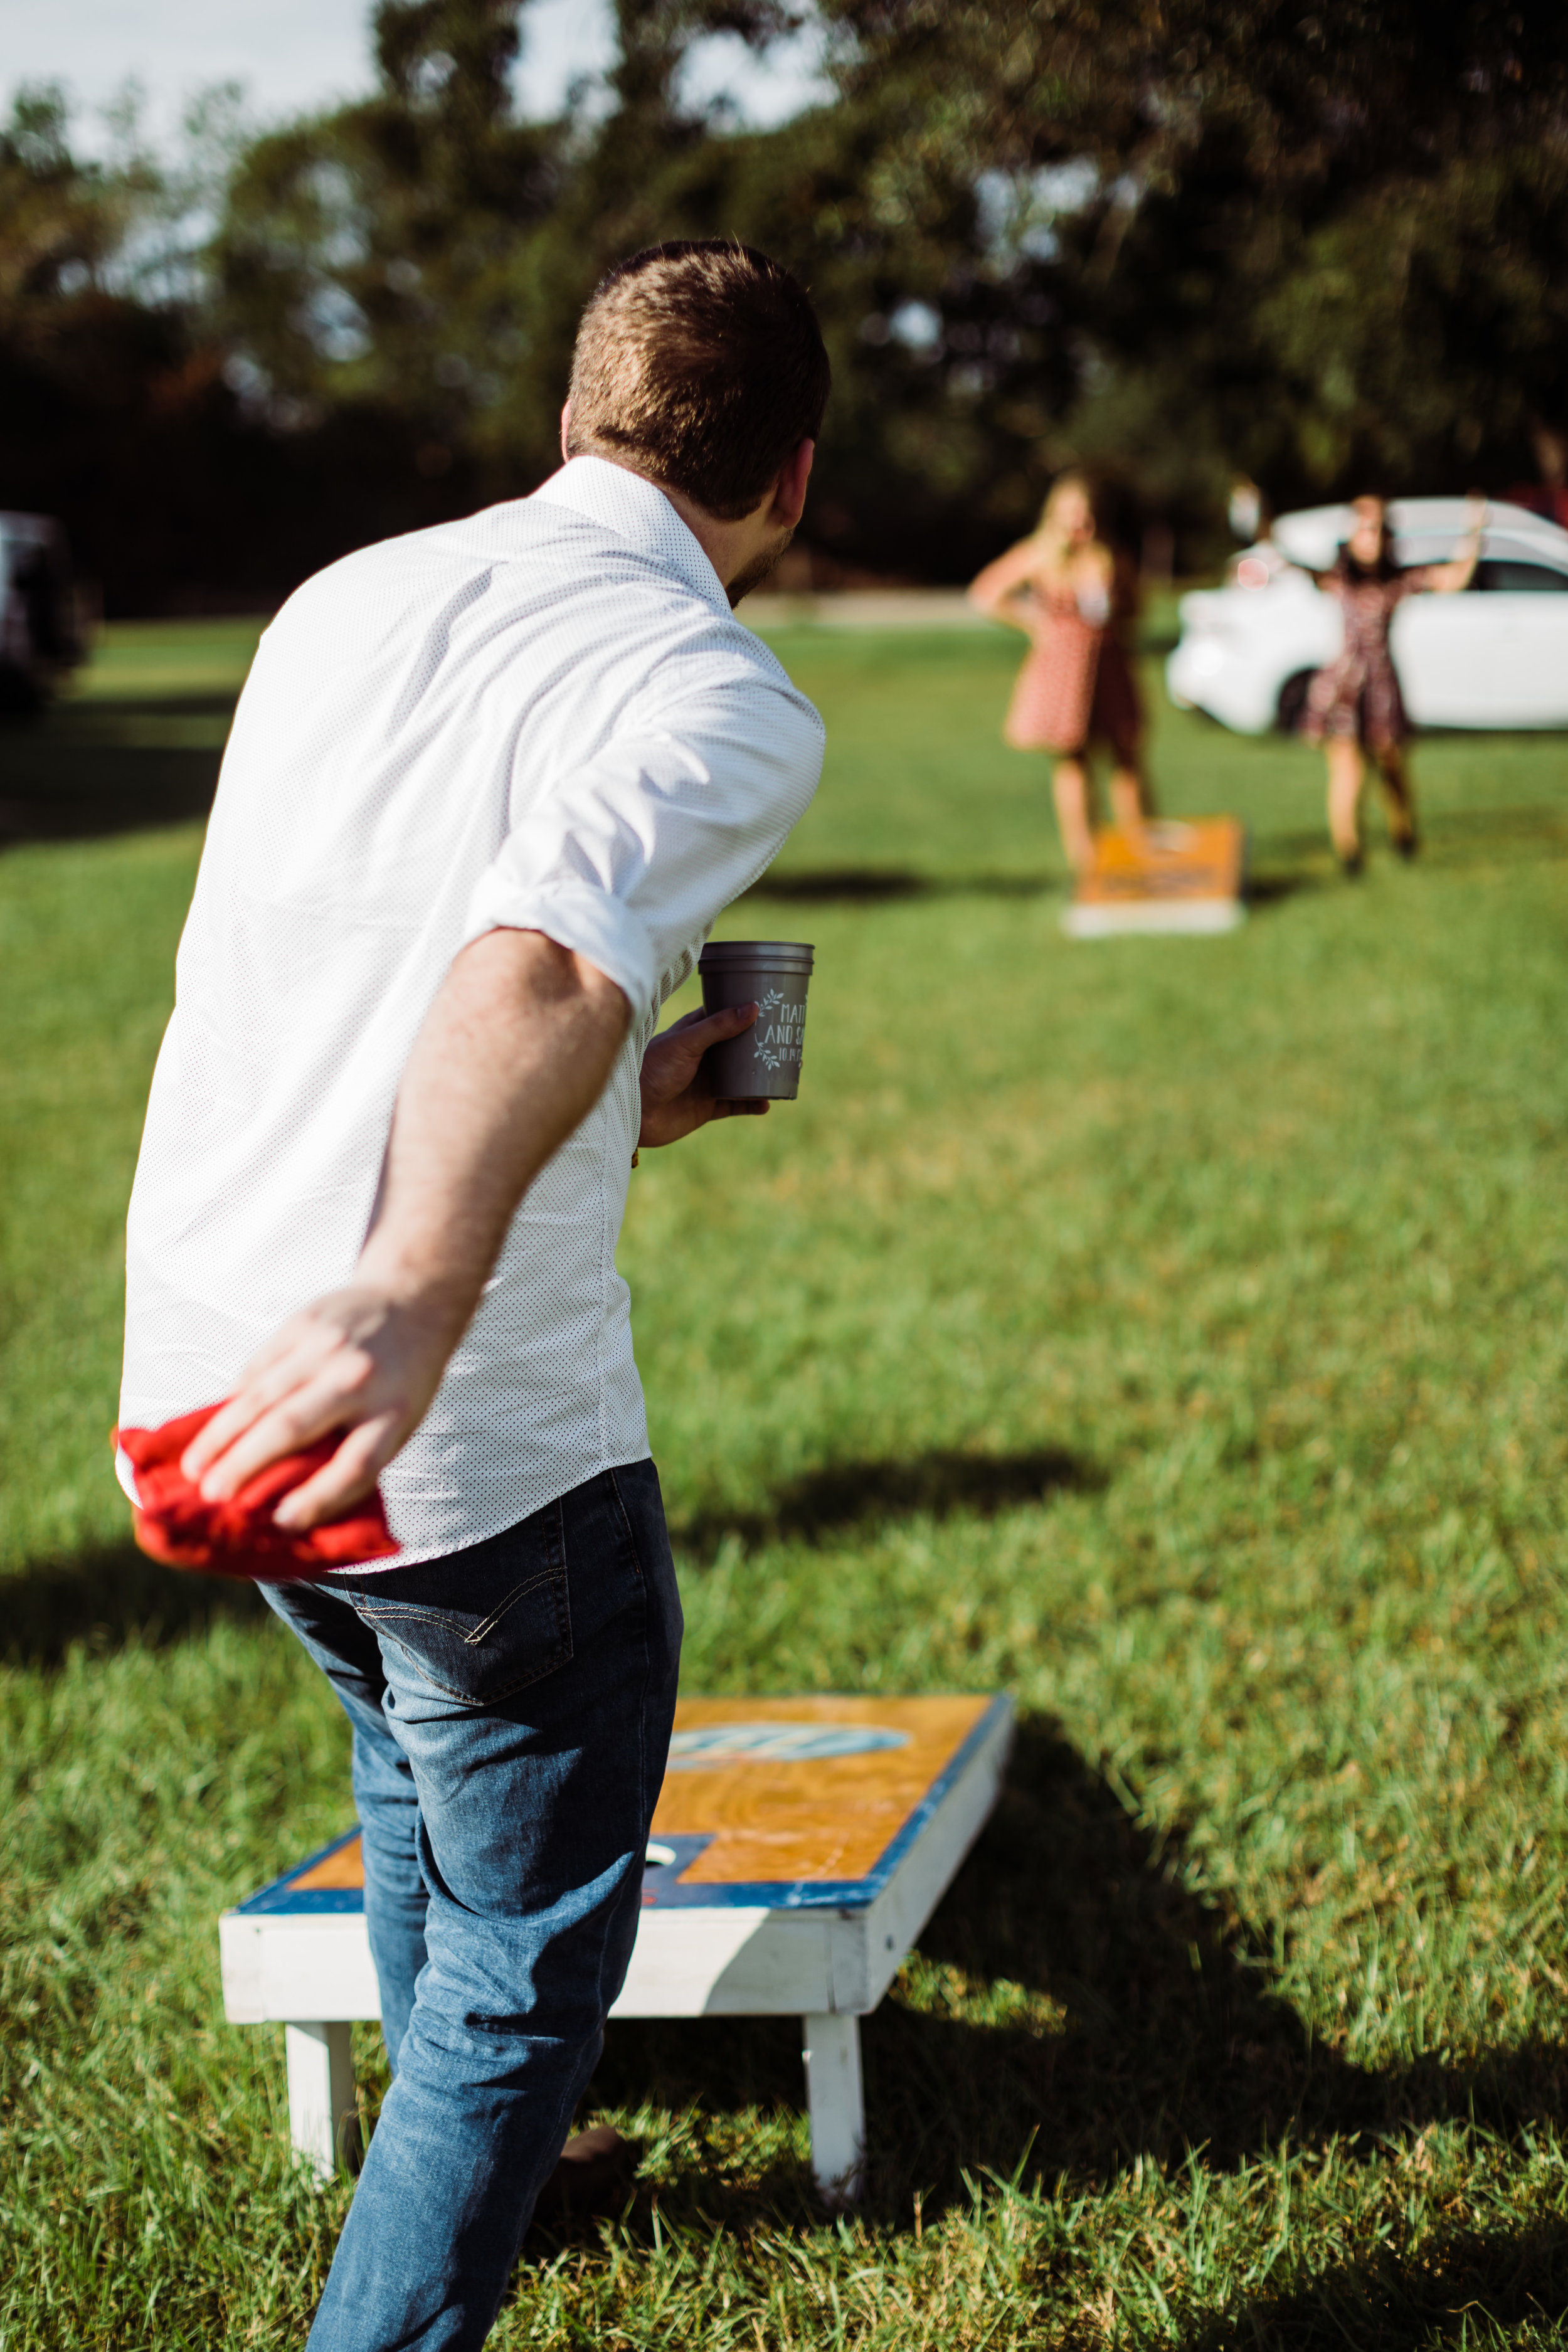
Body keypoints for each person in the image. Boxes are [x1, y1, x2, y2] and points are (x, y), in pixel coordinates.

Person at [115, 240, 830, 2351]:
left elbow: (362, 971)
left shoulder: (340, 599)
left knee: (411, 1770)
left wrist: (633, 1113)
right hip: (454, 1428)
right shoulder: (719, 694)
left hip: (208, 1374)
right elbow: (528, 962)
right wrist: (417, 1288)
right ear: (790, 474)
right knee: (526, 1969)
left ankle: (541, 2171)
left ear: (571, 421)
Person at [967, 472, 1152, 876]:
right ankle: (1088, 860)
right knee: (1074, 759)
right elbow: (985, 594)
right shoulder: (1039, 554)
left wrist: (1118, 611)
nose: (1079, 523)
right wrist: (1035, 622)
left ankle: (1142, 852)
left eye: (1086, 514)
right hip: (1064, 667)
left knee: (1126, 754)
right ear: (1055, 515)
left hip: (1109, 661)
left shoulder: (1109, 555)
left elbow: (1137, 609)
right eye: (1071, 513)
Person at [1302, 491, 1486, 872]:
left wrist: (1473, 532)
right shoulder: (1336, 579)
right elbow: (1282, 557)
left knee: (1392, 767)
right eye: (1366, 527)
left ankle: (1404, 837)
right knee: (1348, 770)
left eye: (1381, 528)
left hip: (1382, 686)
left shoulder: (1397, 580)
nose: (1374, 535)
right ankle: (1349, 853)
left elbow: (1454, 577)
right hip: (1344, 687)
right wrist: (1260, 517)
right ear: (1351, 534)